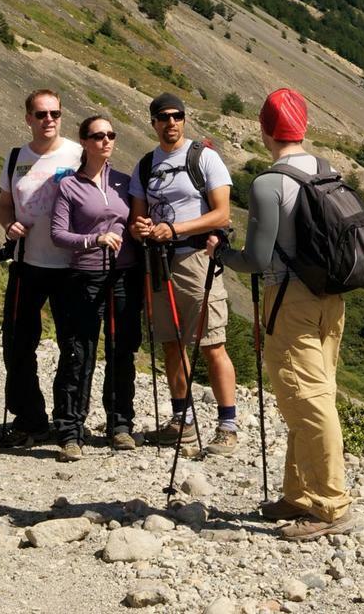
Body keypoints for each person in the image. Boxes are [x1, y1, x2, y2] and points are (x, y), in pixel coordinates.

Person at [212, 88, 358, 539]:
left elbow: (256, 259)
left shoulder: (267, 184)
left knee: (307, 399)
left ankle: (328, 505)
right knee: (315, 393)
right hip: (331, 298)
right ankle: (299, 494)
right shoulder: (324, 169)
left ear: (263, 129)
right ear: (304, 127)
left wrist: (223, 254)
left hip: (289, 300)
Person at [127, 92, 237, 455]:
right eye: (163, 117)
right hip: (159, 262)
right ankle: (183, 421)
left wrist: (176, 230)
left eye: (176, 116)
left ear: (184, 120)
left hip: (195, 260)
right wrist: (140, 228)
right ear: (154, 122)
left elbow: (222, 215)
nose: (170, 123)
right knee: (172, 343)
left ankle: (227, 426)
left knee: (212, 344)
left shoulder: (204, 158)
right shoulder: (145, 165)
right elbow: (136, 218)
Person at [50, 115, 143, 458]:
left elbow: (135, 222)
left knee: (122, 350)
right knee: (79, 353)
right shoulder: (69, 186)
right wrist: (94, 239)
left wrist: (140, 227)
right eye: (98, 136)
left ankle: (120, 425)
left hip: (123, 275)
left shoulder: (125, 182)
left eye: (111, 135)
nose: (106, 141)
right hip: (84, 277)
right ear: (85, 142)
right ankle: (70, 430)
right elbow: (58, 234)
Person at [0, 89, 82, 447]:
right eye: (41, 114)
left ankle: (68, 425)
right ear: (28, 118)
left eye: (55, 113)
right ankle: (30, 419)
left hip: (72, 267)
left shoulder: (79, 154)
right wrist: (8, 225)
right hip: (27, 261)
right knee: (17, 344)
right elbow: (5, 203)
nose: (49, 119)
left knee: (73, 347)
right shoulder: (16, 156)